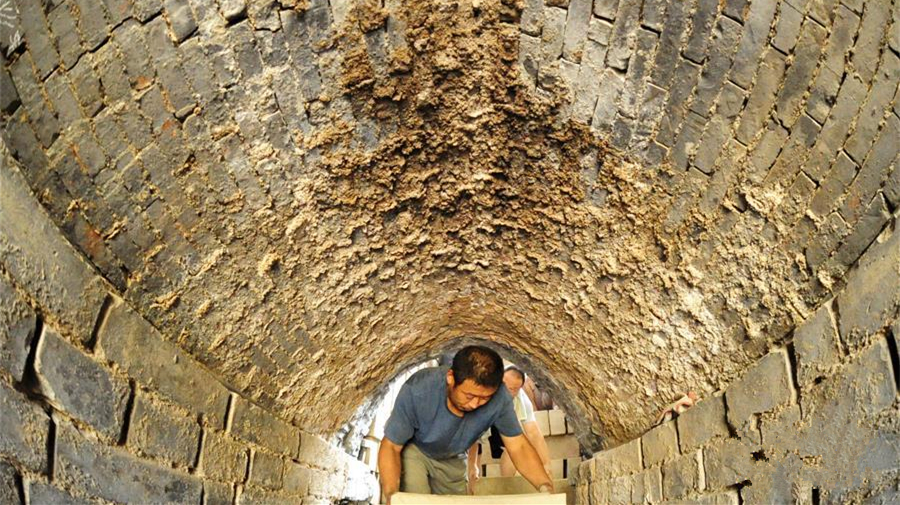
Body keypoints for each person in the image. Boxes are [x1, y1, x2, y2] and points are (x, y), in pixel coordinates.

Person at [378, 346, 554, 504]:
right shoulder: (419, 389)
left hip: (454, 457)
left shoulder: (500, 398)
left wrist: (545, 486)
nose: (475, 404)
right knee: (413, 500)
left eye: (484, 398)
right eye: (469, 396)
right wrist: (391, 494)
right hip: (416, 450)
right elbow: (391, 446)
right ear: (451, 378)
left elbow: (518, 446)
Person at [472, 367, 552, 480]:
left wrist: (546, 465)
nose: (508, 392)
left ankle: (507, 483)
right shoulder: (482, 394)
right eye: (505, 386)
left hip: (503, 422)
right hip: (478, 423)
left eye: (514, 389)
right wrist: (473, 465)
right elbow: (472, 435)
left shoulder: (521, 399)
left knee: (515, 444)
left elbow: (533, 432)